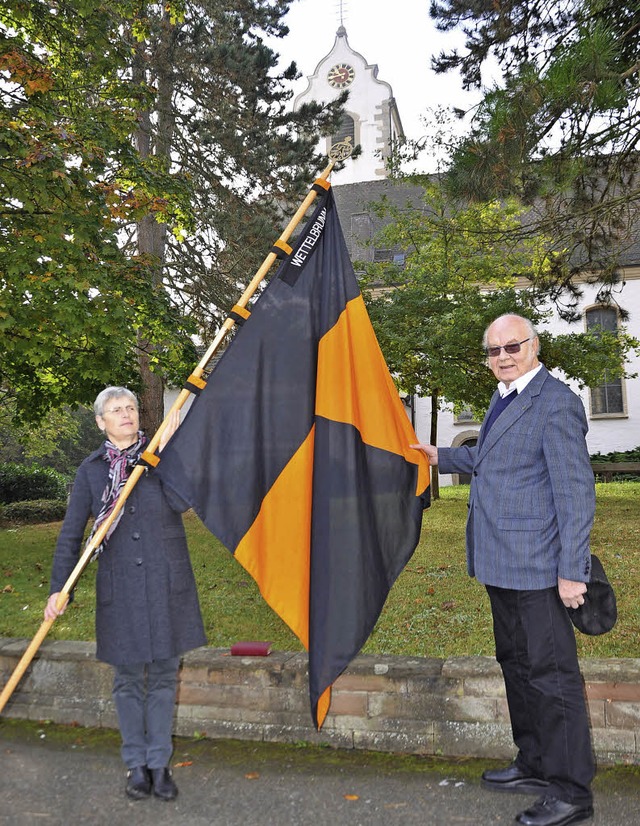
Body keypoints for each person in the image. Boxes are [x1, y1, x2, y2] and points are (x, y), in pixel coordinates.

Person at [413, 315, 595, 826]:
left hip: (541, 570)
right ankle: (534, 762)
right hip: (500, 563)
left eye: (512, 346)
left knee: (552, 677)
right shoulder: (505, 396)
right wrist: (440, 456)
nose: (503, 356)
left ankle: (571, 793)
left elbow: (575, 492)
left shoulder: (555, 402)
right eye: (494, 350)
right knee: (516, 667)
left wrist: (572, 570)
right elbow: (491, 461)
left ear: (534, 346)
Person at [45, 387, 206, 802]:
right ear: (101, 422)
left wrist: (164, 460)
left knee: (164, 679)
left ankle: (159, 765)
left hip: (167, 587)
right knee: (130, 680)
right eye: (115, 410)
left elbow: (180, 502)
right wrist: (60, 588)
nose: (126, 414)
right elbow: (70, 536)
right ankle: (136, 765)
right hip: (121, 592)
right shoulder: (90, 471)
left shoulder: (160, 459)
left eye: (130, 407)